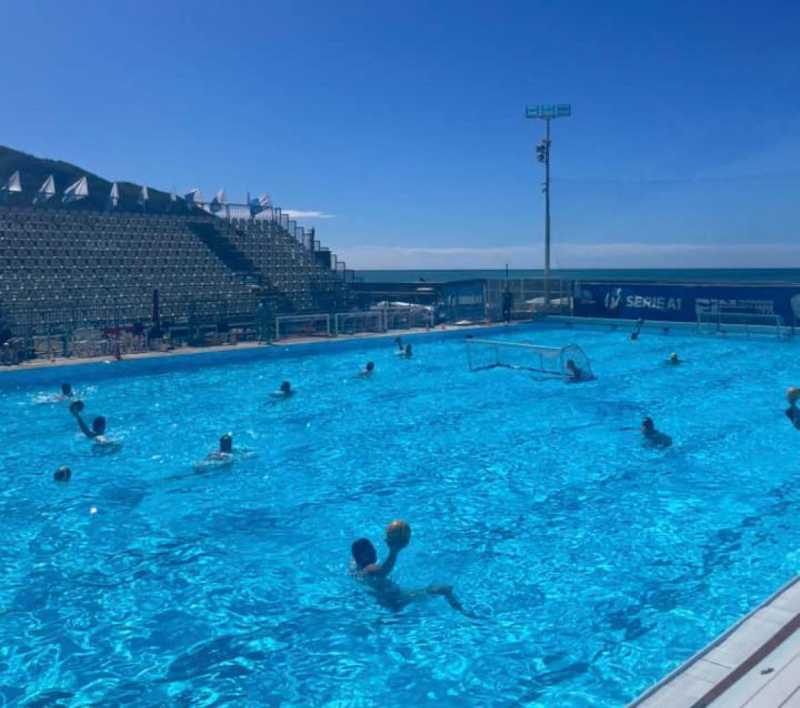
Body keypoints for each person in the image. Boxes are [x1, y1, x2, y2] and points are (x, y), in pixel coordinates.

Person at [350, 525, 469, 615]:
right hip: (399, 599)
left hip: (388, 602)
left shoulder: (355, 567)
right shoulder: (370, 568)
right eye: (372, 550)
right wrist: (394, 551)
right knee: (444, 589)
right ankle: (464, 614)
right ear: (366, 555)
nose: (375, 552)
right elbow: (384, 570)